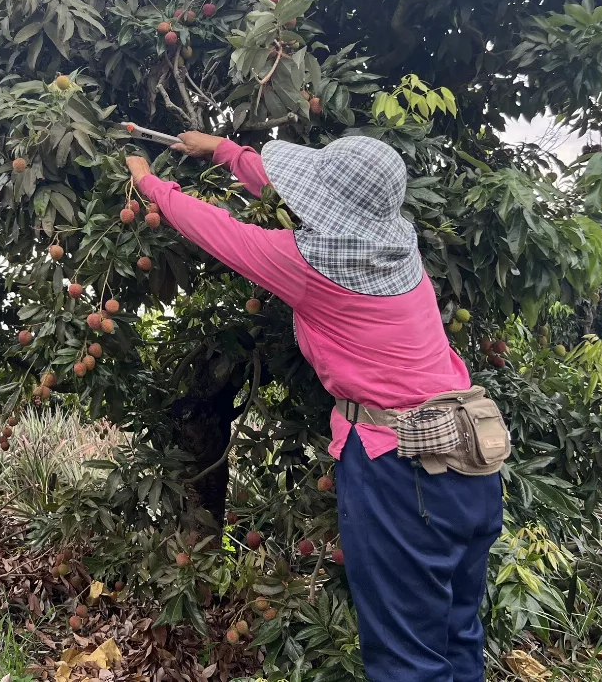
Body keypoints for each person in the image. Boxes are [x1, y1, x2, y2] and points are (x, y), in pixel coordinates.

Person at [126, 132, 506, 682]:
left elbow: (219, 231)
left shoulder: (309, 265)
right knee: (457, 635)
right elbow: (308, 198)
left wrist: (150, 185)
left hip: (402, 470)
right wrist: (225, 152)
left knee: (408, 662)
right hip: (472, 457)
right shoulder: (401, 243)